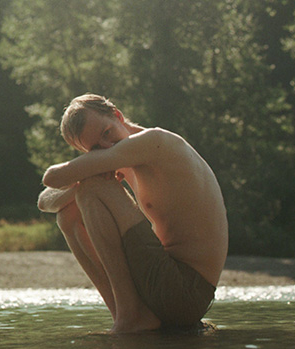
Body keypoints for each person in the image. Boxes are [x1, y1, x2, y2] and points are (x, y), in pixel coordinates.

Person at [38, 94, 228, 334]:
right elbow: (46, 202)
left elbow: (51, 178)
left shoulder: (153, 142)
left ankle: (131, 314)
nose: (107, 146)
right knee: (68, 216)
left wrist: (90, 172)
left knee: (92, 189)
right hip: (166, 281)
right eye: (96, 148)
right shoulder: (120, 157)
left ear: (117, 115)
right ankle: (124, 314)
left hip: (186, 291)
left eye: (107, 132)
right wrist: (90, 173)